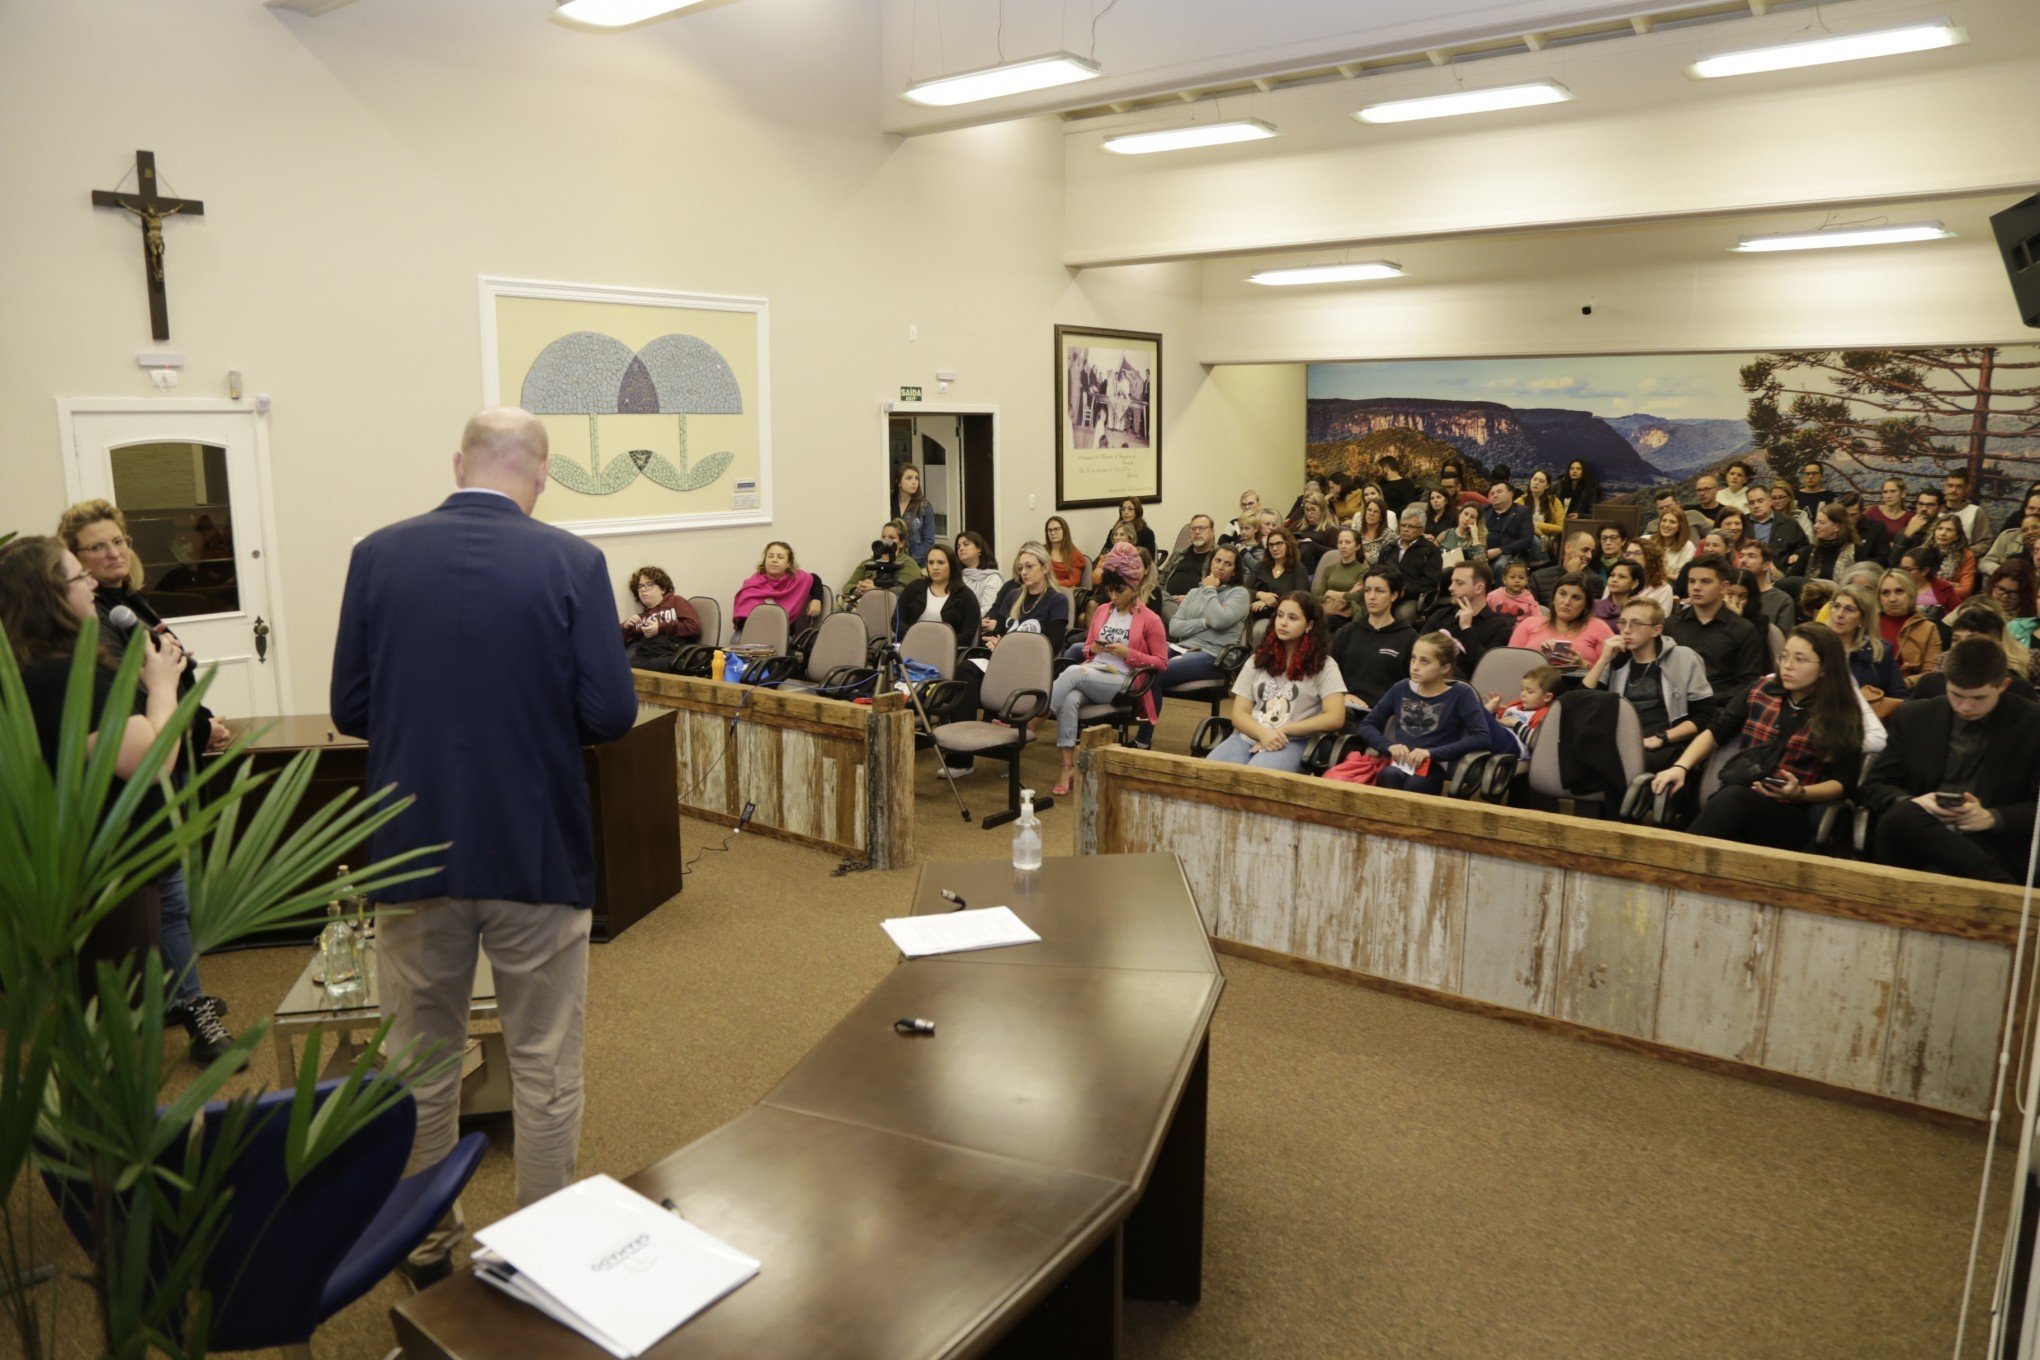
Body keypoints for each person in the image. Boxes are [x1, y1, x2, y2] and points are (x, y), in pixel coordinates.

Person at [330, 407, 639, 1284]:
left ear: (457, 463)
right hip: (534, 848)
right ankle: (538, 1259)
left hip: (410, 846)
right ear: (542, 474)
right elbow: (611, 715)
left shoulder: (376, 555)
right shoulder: (573, 562)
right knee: (543, 1061)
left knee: (420, 1059)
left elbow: (352, 706)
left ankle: (424, 1249)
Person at [55, 500, 235, 1060]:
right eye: (95, 549)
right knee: (164, 900)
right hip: (132, 777)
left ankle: (185, 997)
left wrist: (203, 724)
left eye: (119, 542)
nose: (113, 554)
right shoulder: (97, 621)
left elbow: (170, 678)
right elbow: (139, 691)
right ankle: (186, 1005)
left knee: (175, 897)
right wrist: (192, 723)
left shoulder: (130, 603)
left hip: (166, 758)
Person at [0, 536, 194, 982]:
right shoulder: (61, 674)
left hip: (107, 861)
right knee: (122, 1016)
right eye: (79, 576)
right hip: (111, 867)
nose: (92, 585)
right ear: (47, 596)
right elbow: (151, 764)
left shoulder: (44, 665)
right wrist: (163, 687)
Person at [1651, 626, 1864, 850]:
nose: (1788, 666)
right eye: (1784, 656)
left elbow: (1843, 782)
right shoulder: (1762, 689)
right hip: (1741, 793)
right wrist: (1681, 767)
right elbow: (1716, 731)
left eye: (1800, 660)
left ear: (1824, 669)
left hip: (1789, 813)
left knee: (1733, 799)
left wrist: (1800, 793)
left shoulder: (1840, 713)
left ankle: (1679, 859)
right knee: (1729, 798)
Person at [1859, 638, 2040, 883]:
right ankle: (2000, 884)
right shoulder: (1915, 716)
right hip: (1917, 833)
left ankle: (1997, 881)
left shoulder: (2032, 724)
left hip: (1989, 840)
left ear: (2003, 685)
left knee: (1901, 817)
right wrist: (1917, 803)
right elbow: (1873, 786)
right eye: (1956, 695)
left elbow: (2036, 807)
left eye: (1978, 698)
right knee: (1902, 815)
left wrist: (1992, 817)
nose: (1965, 706)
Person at [1047, 543, 1165, 796]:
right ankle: (1067, 768)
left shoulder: (1150, 618)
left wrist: (1128, 654)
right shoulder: (1102, 611)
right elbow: (1087, 647)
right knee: (1069, 699)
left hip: (1124, 681)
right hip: (1095, 672)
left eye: (1119, 590)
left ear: (1134, 587)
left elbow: (1162, 662)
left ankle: (1034, 716)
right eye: (1110, 590)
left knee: (1073, 673)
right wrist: (1094, 650)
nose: (1113, 596)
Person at [1207, 591, 1347, 773]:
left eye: (1293, 618)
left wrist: (1284, 730)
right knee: (1208, 773)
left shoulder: (1325, 665)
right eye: (1279, 616)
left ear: (1309, 625)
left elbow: (1335, 717)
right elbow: (1239, 714)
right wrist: (1263, 734)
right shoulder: (1258, 659)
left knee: (1257, 776)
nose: (1283, 622)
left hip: (1293, 741)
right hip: (1249, 736)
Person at [1581, 597, 1716, 772]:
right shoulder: (1617, 660)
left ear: (1656, 630)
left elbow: (1705, 716)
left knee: (1621, 767)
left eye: (1635, 624)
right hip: (1621, 741)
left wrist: (1663, 738)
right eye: (1622, 623)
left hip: (1665, 743)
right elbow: (1582, 702)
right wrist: (1603, 661)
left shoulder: (1682, 658)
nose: (1626, 631)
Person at [1356, 631, 1492, 794]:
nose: (1415, 666)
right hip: (1399, 762)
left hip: (1434, 765)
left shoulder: (1461, 694)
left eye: (1424, 661)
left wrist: (1431, 753)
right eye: (1413, 658)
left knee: (1417, 784)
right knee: (1389, 774)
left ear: (1445, 667)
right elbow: (1367, 724)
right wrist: (1389, 746)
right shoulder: (1401, 688)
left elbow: (1481, 737)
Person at [1157, 544, 1252, 722]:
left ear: (1234, 571)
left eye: (1227, 563)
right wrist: (1205, 622)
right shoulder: (1193, 593)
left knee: (1156, 672)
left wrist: (1209, 590)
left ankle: (1143, 737)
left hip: (1213, 655)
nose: (1220, 566)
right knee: (1144, 660)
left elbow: (1219, 621)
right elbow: (1175, 628)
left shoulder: (1239, 594)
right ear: (1210, 563)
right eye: (1217, 560)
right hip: (1182, 648)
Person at [1665, 554, 1767, 694]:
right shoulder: (1671, 625)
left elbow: (1748, 683)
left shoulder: (1743, 629)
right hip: (1676, 704)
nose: (1696, 587)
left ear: (1724, 588)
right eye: (1691, 581)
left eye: (1705, 581)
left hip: (1721, 707)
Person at [1329, 566, 1418, 716]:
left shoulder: (1409, 638)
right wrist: (1342, 695)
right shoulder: (1347, 632)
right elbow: (1328, 675)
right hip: (1343, 710)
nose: (1371, 596)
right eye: (1367, 590)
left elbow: (1413, 689)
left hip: (1384, 717)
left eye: (1379, 591)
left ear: (1394, 595)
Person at [1910, 600, 2038, 703]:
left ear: (1997, 642)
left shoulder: (2018, 688)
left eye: (1972, 640)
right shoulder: (1931, 683)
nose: (1962, 646)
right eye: (1956, 639)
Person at [1821, 581, 1908, 716]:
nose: (1839, 614)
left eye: (1849, 609)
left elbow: (1900, 699)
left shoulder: (1880, 653)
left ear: (1863, 619)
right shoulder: (1815, 645)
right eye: (1836, 606)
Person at [1424, 560, 1514, 679]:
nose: (1450, 588)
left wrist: (1467, 628)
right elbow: (1418, 648)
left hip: (1467, 690)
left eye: (1459, 583)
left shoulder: (1500, 627)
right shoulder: (1441, 614)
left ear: (1479, 588)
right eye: (1452, 582)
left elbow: (1488, 667)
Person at [1509, 572, 1613, 670]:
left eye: (1576, 598)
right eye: (1562, 594)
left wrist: (1582, 665)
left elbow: (1608, 675)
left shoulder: (1599, 627)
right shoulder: (1529, 623)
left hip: (1579, 686)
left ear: (1586, 605)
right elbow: (1510, 664)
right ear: (1554, 598)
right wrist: (1539, 658)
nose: (1567, 602)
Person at [983, 542, 1070, 655]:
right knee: (967, 667)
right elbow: (996, 634)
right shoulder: (1012, 596)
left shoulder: (1057, 600)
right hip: (1003, 659)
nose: (1023, 572)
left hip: (1032, 664)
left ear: (1045, 568)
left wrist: (1008, 647)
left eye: (1029, 566)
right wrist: (993, 642)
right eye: (1020, 568)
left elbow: (1052, 648)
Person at [894, 542, 981, 645]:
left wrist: (941, 645)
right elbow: (896, 621)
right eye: (931, 563)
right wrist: (916, 638)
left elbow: (968, 634)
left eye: (940, 562)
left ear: (951, 565)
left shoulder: (966, 597)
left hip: (946, 652)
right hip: (911, 645)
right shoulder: (914, 588)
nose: (935, 567)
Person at [733, 540, 823, 636]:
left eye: (780, 557)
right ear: (765, 561)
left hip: (782, 635)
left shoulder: (796, 579)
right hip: (752, 633)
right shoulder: (752, 584)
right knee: (736, 641)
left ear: (788, 563)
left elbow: (815, 579)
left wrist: (817, 600)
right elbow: (742, 620)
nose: (774, 560)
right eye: (770, 556)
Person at [618, 565, 701, 669]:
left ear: (663, 589)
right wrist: (624, 628)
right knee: (618, 666)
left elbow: (694, 627)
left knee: (624, 668)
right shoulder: (641, 618)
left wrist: (660, 628)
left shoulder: (676, 601)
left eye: (649, 585)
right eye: (640, 586)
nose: (643, 590)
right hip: (645, 656)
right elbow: (614, 643)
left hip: (672, 655)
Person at [1875, 567, 1943, 682]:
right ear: (1879, 598)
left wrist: (1903, 683)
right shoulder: (1868, 625)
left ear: (1911, 594)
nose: (1892, 599)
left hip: (1910, 693)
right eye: (1885, 593)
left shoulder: (1928, 628)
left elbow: (1931, 674)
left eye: (1899, 591)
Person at [1486, 663, 1562, 754]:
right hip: (1498, 737)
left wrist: (1515, 723)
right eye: (1522, 689)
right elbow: (1498, 722)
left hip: (1515, 745)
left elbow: (1536, 741)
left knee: (1475, 708)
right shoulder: (1514, 706)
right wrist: (1494, 711)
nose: (1523, 694)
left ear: (1547, 697)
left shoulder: (1544, 715)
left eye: (1529, 691)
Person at [1734, 540, 1797, 642]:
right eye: (1741, 556)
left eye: (1751, 556)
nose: (1743, 561)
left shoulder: (1782, 600)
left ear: (1766, 565)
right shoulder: (1728, 594)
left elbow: (1782, 641)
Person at [1742, 485, 1809, 579]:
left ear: (1770, 501)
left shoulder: (1788, 522)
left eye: (1760, 501)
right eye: (1751, 503)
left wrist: (1796, 554)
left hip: (1779, 574)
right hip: (1746, 573)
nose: (1756, 506)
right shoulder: (1741, 523)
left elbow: (1804, 546)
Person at [1381, 509, 1442, 607]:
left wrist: (1405, 591)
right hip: (1386, 594)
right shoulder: (1388, 548)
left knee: (1404, 614)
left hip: (1413, 597)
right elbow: (1378, 572)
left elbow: (1431, 582)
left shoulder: (1431, 551)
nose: (1406, 529)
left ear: (1422, 530)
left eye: (1411, 527)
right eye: (1403, 525)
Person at [1245, 525, 1306, 622]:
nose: (1274, 548)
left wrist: (1269, 602)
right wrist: (1261, 595)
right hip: (1255, 612)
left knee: (1259, 631)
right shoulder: (1261, 565)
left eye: (1279, 544)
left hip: (1282, 616)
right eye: (1271, 545)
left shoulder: (1298, 569)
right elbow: (1243, 590)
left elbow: (1301, 599)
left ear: (1288, 544)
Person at [1316, 526, 1369, 627]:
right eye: (1340, 542)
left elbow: (1357, 597)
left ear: (1357, 547)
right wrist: (1345, 595)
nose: (1343, 546)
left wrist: (1330, 592)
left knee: (1324, 621)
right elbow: (1317, 596)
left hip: (1347, 614)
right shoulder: (1329, 568)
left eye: (1348, 542)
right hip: (1327, 609)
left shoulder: (1363, 570)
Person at [1533, 530, 1602, 606]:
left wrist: (1573, 575)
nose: (1589, 556)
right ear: (1568, 548)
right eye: (1585, 550)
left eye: (1591, 551)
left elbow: (1584, 612)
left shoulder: (1595, 581)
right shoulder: (1538, 577)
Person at [1163, 515, 1217, 605]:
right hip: (1168, 601)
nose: (1197, 532)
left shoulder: (1218, 558)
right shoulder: (1179, 554)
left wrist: (1191, 599)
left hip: (1196, 606)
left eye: (1202, 528)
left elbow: (1220, 591)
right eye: (1193, 529)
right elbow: (1161, 578)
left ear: (1212, 532)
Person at [1982, 492, 2040, 574]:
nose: (2035, 512)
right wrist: (2005, 572)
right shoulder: (2008, 536)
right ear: (2025, 509)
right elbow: (1986, 562)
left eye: (2035, 527)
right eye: (2031, 508)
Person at [1482, 480, 1535, 569]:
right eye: (1492, 493)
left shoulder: (1522, 512)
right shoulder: (1483, 511)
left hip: (1507, 554)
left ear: (1510, 494)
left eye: (1499, 492)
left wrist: (1500, 550)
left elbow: (1527, 540)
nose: (1495, 495)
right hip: (1482, 552)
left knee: (1501, 565)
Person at [1985, 559, 2039, 646]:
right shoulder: (1975, 607)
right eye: (2001, 589)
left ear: (2025, 595)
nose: (2005, 596)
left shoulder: (2029, 625)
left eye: (2013, 593)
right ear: (1992, 584)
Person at [1926, 516, 1978, 604]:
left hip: (1951, 601)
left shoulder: (1967, 555)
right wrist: (1950, 584)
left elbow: (1966, 590)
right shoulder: (1923, 551)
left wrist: (1931, 588)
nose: (1943, 533)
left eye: (1949, 530)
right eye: (1940, 528)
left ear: (1957, 536)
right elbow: (1913, 582)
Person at [1802, 503, 1858, 583]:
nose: (1815, 526)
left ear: (1836, 527)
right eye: (1816, 522)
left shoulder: (1855, 551)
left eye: (1821, 523)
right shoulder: (1809, 551)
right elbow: (1790, 579)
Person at [893, 463, 936, 564]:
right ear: (898, 482)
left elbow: (929, 541)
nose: (914, 482)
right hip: (891, 560)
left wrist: (909, 560)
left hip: (917, 562)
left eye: (916, 478)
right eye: (909, 478)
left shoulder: (924, 506)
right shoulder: (888, 503)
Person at [953, 531, 1003, 616]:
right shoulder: (956, 576)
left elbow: (988, 608)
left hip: (978, 624)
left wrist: (965, 619)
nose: (961, 549)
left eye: (966, 544)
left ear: (979, 548)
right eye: (958, 546)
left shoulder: (992, 578)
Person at [1893, 486, 1946, 566]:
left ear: (1941, 508)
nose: (1924, 509)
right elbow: (1893, 563)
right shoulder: (1905, 531)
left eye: (1930, 505)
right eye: (1920, 504)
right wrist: (1906, 536)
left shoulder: (1943, 533)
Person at [1096, 496, 1157, 561]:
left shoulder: (1146, 533)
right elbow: (1104, 553)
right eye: (1123, 509)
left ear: (1137, 510)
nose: (1125, 512)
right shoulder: (1114, 531)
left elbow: (1149, 560)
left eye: (1130, 509)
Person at [1943, 469, 1991, 547]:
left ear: (1967, 488)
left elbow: (1985, 542)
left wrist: (1966, 554)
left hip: (1963, 557)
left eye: (1959, 487)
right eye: (1950, 486)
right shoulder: (1936, 509)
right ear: (1945, 487)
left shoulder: (1976, 511)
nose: (1953, 490)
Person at [1525, 469, 1566, 558]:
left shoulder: (1554, 502)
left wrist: (1539, 525)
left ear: (1547, 486)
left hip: (1543, 540)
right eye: (1534, 479)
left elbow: (1562, 527)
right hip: (1523, 537)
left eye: (1541, 481)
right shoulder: (1521, 500)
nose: (1536, 483)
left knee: (1529, 537)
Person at [1437, 502, 1485, 573]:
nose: (1467, 519)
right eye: (1465, 514)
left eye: (1472, 517)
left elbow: (1481, 566)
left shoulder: (1478, 539)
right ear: (1459, 514)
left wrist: (1475, 537)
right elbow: (1430, 555)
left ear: (1476, 522)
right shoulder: (1445, 534)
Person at [1652, 504, 1696, 578]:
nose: (1666, 525)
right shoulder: (1646, 540)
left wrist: (1663, 576)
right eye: (1664, 520)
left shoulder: (1688, 547)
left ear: (1680, 527)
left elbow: (1687, 577)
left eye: (1672, 522)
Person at [1043, 515, 1087, 590]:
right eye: (1049, 530)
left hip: (1063, 591)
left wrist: (1052, 583)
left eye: (1056, 529)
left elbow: (1073, 581)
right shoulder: (1042, 550)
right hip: (1042, 589)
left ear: (1064, 531)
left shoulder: (1074, 554)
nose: (1053, 533)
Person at [1595, 559, 1643, 624]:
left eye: (1622, 577)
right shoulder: (1594, 605)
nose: (1614, 580)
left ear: (1634, 584)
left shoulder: (1639, 611)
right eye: (1612, 575)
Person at [1866, 478, 1912, 542]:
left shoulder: (1909, 517)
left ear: (1903, 493)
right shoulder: (1873, 511)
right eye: (1885, 492)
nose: (1888, 496)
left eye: (1893, 491)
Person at [1354, 498, 1393, 567]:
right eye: (1369, 510)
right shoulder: (1357, 531)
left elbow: (1386, 558)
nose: (1371, 514)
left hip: (1378, 571)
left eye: (1376, 511)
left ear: (1381, 517)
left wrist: (1367, 557)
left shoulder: (1388, 534)